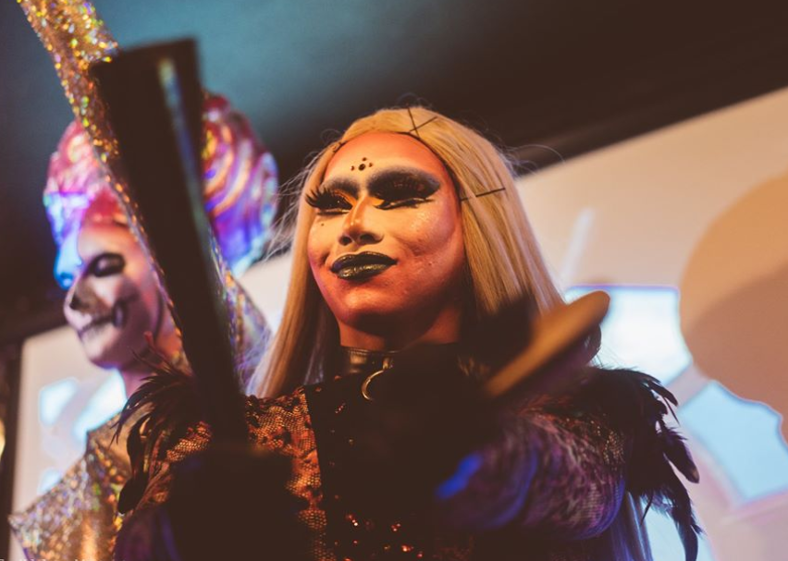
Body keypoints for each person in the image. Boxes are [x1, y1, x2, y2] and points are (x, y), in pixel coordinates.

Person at [116, 106, 700, 561]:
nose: (355, 226)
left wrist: (466, 450)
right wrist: (180, 532)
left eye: (399, 196)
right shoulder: (236, 439)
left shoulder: (570, 413)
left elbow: (568, 484)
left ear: (472, 221)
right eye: (331, 205)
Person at [9, 94, 278, 561]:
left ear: (169, 266)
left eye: (102, 266)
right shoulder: (101, 468)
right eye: (66, 279)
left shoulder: (261, 410)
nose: (75, 299)